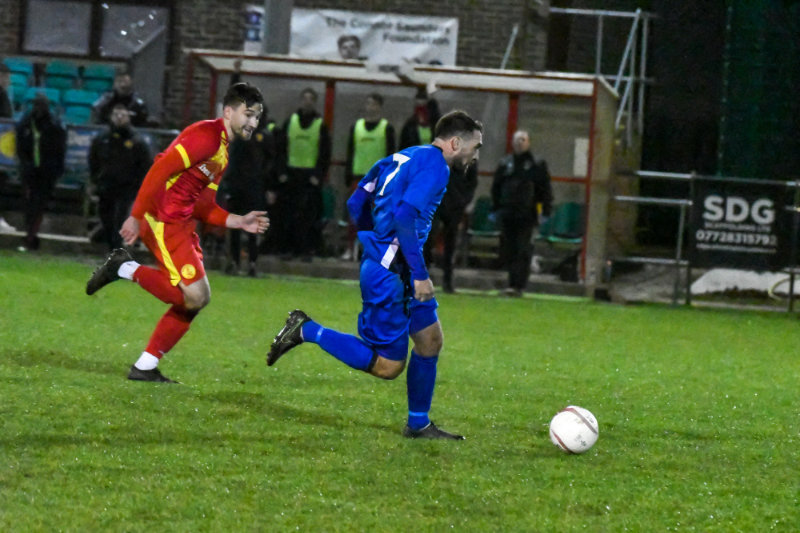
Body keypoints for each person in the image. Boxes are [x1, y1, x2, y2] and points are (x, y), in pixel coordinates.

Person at [266, 110, 483, 440]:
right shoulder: (437, 166)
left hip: (395, 266)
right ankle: (306, 329)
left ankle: (419, 424)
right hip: (392, 275)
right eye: (475, 147)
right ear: (455, 143)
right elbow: (405, 216)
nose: (476, 155)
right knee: (388, 366)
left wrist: (373, 241)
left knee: (430, 340)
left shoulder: (402, 156)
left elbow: (357, 201)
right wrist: (417, 272)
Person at [85, 82, 269, 383]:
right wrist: (135, 216)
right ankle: (124, 268)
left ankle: (145, 366)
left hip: (181, 224)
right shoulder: (205, 136)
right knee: (194, 296)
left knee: (196, 298)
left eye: (257, 117)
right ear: (228, 111)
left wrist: (238, 221)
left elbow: (204, 206)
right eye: (248, 114)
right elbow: (159, 170)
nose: (253, 122)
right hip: (160, 218)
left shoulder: (222, 151)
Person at [491, 129, 553, 297]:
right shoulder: (505, 163)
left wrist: (545, 210)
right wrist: (496, 208)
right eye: (517, 140)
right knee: (509, 248)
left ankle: (519, 284)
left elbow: (545, 189)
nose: (520, 143)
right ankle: (512, 283)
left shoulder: (536, 164)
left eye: (523, 140)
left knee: (523, 248)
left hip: (527, 214)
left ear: (528, 142)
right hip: (508, 213)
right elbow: (496, 187)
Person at [275, 87, 331, 260]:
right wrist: (281, 172)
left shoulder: (320, 125)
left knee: (309, 216)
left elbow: (325, 152)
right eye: (305, 98)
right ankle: (289, 249)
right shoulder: (290, 122)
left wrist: (318, 176)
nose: (307, 102)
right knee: (289, 213)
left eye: (311, 99)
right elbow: (281, 148)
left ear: (315, 103)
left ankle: (307, 250)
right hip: (291, 174)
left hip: (310, 177)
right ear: (300, 101)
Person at [88, 104, 152, 251]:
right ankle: (111, 244)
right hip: (106, 185)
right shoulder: (102, 138)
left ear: (128, 117)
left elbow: (145, 165)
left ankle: (116, 249)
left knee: (120, 217)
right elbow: (93, 160)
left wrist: (139, 184)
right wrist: (95, 179)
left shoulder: (136, 141)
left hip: (126, 187)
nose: (119, 118)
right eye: (116, 115)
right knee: (106, 217)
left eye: (122, 115)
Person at [222, 105, 276, 276]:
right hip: (239, 186)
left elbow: (271, 163)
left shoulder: (265, 137)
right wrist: (228, 185)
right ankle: (234, 261)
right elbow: (232, 162)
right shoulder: (240, 135)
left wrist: (269, 186)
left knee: (254, 225)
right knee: (236, 224)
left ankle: (252, 263)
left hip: (256, 186)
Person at [342, 92, 396, 260]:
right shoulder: (356, 127)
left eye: (374, 104)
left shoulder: (387, 128)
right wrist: (348, 176)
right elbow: (350, 151)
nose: (370, 107)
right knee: (354, 215)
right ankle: (351, 248)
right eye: (368, 104)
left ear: (380, 107)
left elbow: (391, 156)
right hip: (359, 177)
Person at [15, 93, 67, 251]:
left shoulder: (54, 125)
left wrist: (56, 170)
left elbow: (60, 150)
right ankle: (29, 234)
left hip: (47, 172)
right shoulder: (26, 123)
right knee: (29, 204)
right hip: (29, 171)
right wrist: (24, 165)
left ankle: (32, 236)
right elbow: (20, 147)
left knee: (40, 204)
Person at [424, 163, 478, 293]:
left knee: (450, 243)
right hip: (435, 202)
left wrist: (463, 201)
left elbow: (472, 183)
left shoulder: (467, 158)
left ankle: (447, 281)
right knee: (428, 239)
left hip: (455, 205)